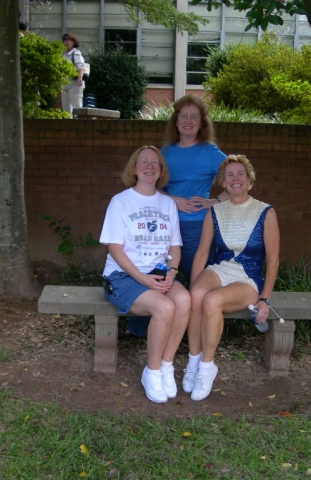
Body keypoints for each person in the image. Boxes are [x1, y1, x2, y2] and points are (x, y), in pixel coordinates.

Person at [126, 94, 227, 337]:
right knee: (157, 273)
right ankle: (140, 329)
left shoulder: (210, 153)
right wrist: (174, 201)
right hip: (162, 226)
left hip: (195, 228)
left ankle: (194, 334)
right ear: (176, 121)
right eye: (184, 116)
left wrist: (213, 202)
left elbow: (238, 178)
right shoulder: (166, 152)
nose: (188, 121)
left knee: (195, 280)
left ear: (202, 123)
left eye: (194, 117)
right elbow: (151, 186)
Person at [183, 154, 280, 401]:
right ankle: (193, 362)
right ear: (223, 183)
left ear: (249, 180)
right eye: (230, 175)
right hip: (219, 269)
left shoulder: (265, 212)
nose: (235, 179)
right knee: (196, 295)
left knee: (212, 301)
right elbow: (202, 252)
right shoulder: (215, 211)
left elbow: (273, 259)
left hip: (247, 277)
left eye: (240, 174)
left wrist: (265, 299)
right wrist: (193, 288)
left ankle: (207, 368)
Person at [99, 146, 191, 404]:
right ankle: (151, 373)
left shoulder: (167, 203)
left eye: (155, 163)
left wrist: (172, 270)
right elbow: (114, 248)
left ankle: (166, 366)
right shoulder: (121, 201)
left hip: (158, 273)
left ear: (161, 170)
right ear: (135, 168)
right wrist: (143, 280)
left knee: (184, 301)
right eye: (143, 162)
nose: (149, 166)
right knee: (164, 307)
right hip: (121, 277)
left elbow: (174, 245)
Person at [61, 33, 85, 114]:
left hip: (75, 83)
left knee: (77, 107)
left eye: (68, 40)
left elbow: (81, 66)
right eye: (64, 40)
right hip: (64, 84)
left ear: (73, 42)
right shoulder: (63, 54)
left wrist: (80, 77)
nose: (66, 42)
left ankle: (80, 125)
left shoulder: (76, 53)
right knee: (66, 110)